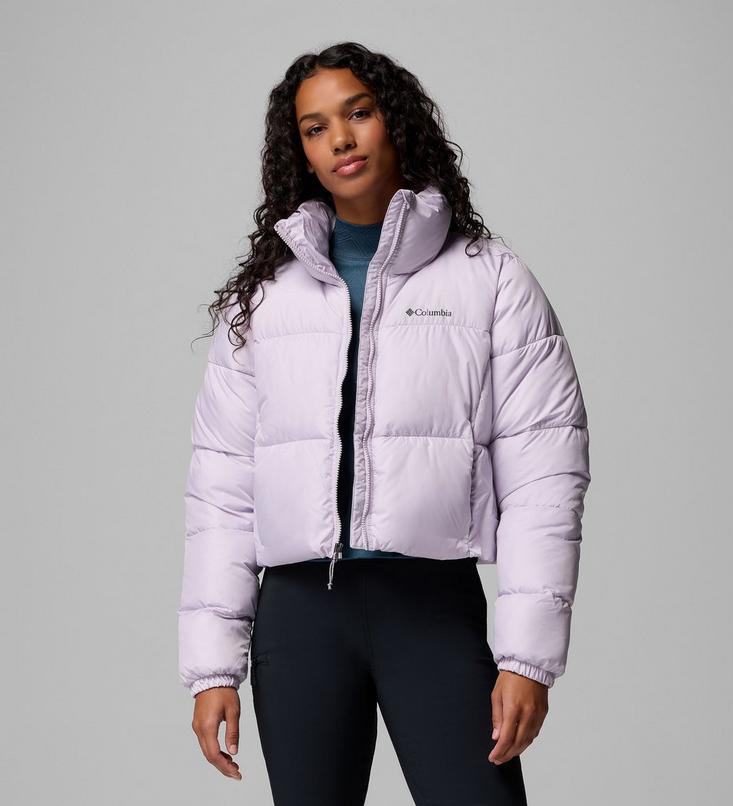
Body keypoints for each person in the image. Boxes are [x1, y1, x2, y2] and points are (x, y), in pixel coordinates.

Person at [177, 41, 591, 805]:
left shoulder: (491, 279)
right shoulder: (264, 301)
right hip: (299, 617)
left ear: (395, 122)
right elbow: (222, 489)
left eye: (358, 113)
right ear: (300, 154)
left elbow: (545, 476)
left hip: (431, 607)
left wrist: (527, 657)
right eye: (314, 128)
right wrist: (212, 668)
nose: (340, 138)